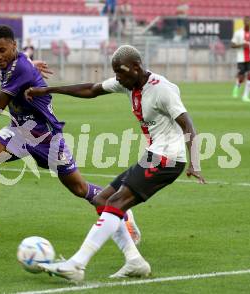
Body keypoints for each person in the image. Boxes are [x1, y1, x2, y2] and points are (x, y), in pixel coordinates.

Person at [0, 25, 141, 247]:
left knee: (80, 188)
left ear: (14, 45)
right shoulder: (6, 66)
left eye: (2, 50)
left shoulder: (19, 69)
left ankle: (123, 213)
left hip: (45, 137)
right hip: (19, 130)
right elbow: (20, 67)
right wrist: (30, 65)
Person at [25, 45, 205, 281]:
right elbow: (91, 89)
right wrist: (47, 90)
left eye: (121, 73)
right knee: (102, 199)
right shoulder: (127, 82)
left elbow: (187, 123)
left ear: (137, 67)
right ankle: (134, 261)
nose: (118, 79)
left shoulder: (162, 89)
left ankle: (77, 264)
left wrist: (195, 162)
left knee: (117, 203)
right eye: (116, 74)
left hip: (169, 158)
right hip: (154, 155)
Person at [231, 16, 250, 102]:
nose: (247, 22)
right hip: (241, 58)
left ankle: (245, 96)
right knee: (241, 77)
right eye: (245, 20)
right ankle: (237, 86)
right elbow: (232, 45)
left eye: (248, 20)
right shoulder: (238, 33)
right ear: (243, 22)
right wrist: (241, 45)